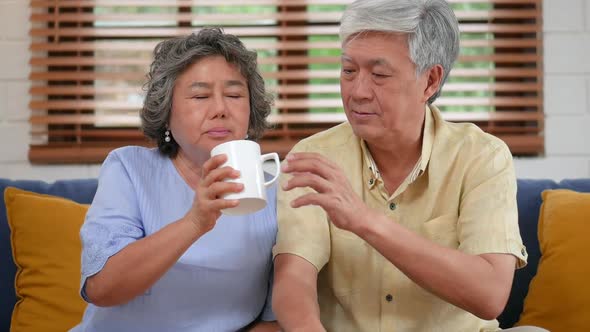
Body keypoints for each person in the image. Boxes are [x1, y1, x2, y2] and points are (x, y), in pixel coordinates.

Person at [271, 1, 547, 331]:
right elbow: (294, 282)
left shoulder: (482, 156)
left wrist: (364, 221)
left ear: (429, 81)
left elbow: (489, 295)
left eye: (379, 74)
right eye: (348, 71)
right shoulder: (315, 157)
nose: (357, 91)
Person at [71, 28, 280, 332]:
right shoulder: (128, 169)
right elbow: (101, 289)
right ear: (167, 112)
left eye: (234, 95)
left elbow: (277, 318)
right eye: (200, 95)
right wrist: (195, 222)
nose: (221, 109)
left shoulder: (277, 186)